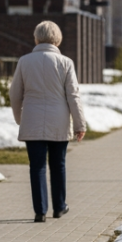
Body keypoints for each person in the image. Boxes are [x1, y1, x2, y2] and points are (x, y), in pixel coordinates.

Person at [10, 21, 87, 223]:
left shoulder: (24, 61)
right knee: (58, 164)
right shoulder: (66, 63)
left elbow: (15, 94)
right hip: (59, 120)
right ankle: (59, 206)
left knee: (36, 166)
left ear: (36, 38)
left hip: (32, 119)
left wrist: (20, 118)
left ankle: (40, 210)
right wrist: (80, 124)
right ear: (57, 39)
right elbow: (73, 96)